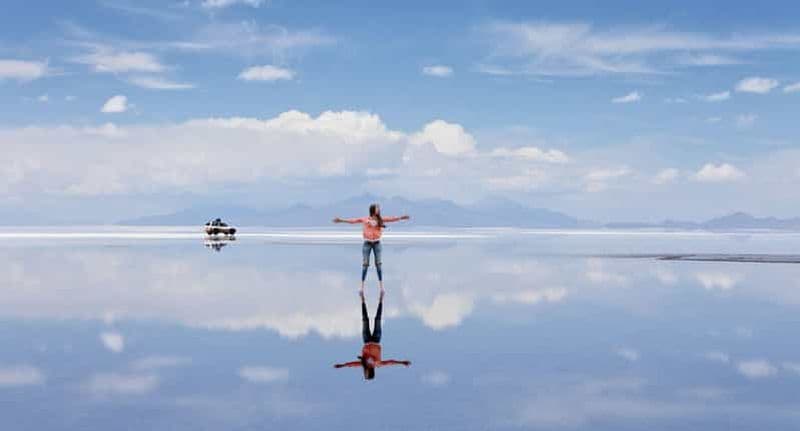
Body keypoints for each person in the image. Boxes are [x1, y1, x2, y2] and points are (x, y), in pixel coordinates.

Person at [333, 203, 410, 296]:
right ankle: (362, 287)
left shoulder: (380, 220)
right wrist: (341, 220)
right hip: (367, 244)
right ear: (373, 209)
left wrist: (401, 218)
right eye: (377, 208)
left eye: (378, 208)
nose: (378, 210)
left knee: (378, 264)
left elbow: (391, 219)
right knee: (365, 264)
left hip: (377, 243)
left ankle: (381, 287)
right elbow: (353, 221)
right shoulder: (365, 219)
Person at [334, 291, 410, 380]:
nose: (364, 372)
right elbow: (390, 362)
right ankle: (381, 299)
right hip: (376, 340)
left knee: (365, 319)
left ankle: (362, 299)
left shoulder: (364, 364)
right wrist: (401, 362)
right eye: (366, 373)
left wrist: (343, 365)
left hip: (366, 340)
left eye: (365, 373)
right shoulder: (378, 364)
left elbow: (353, 364)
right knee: (377, 319)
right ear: (370, 372)